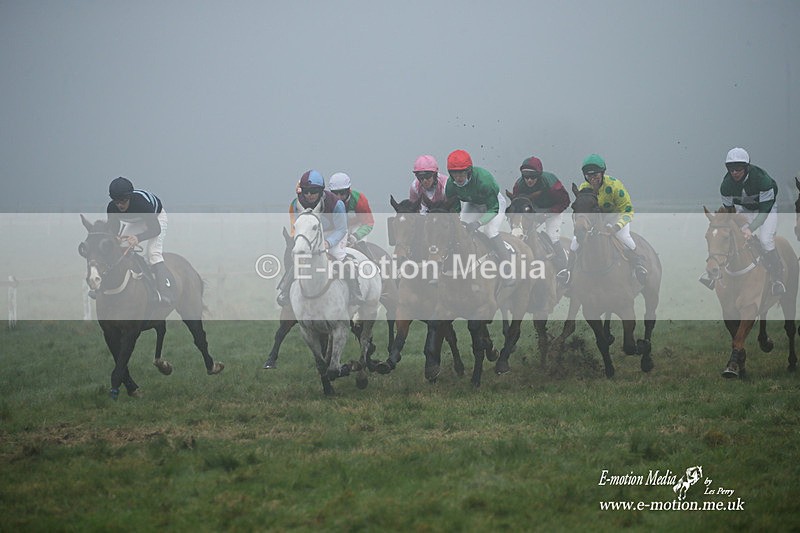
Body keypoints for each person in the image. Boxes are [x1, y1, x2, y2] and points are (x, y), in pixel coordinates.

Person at [701, 147, 784, 295]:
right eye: (731, 169)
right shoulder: (726, 185)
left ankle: (777, 278)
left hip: (766, 209)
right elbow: (729, 213)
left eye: (738, 168)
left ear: (746, 167)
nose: (734, 172)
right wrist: (728, 225)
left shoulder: (763, 180)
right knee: (732, 237)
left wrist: (750, 228)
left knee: (765, 240)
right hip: (745, 209)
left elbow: (764, 211)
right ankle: (715, 273)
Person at [278, 169, 361, 307]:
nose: (309, 195)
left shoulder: (336, 204)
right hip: (311, 233)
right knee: (298, 258)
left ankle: (355, 292)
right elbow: (299, 225)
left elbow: (341, 229)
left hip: (335, 233)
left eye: (313, 191)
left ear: (321, 191)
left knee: (340, 257)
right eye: (306, 191)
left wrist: (328, 243)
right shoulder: (297, 203)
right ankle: (285, 291)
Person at [565, 154, 648, 285]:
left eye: (595, 175)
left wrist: (616, 227)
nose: (592, 178)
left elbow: (627, 210)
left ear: (602, 173)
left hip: (616, 217)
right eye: (589, 175)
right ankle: (567, 272)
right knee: (574, 243)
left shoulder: (615, 186)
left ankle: (639, 266)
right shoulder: (584, 188)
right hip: (597, 220)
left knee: (625, 239)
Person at [444, 149, 512, 282]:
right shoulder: (450, 185)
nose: (458, 178)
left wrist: (479, 223)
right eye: (455, 174)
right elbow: (454, 208)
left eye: (462, 173)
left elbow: (493, 208)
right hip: (473, 204)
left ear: (469, 171)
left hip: (493, 204)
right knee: (462, 230)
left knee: (490, 230)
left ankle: (507, 269)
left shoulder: (485, 181)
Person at [105, 176, 174, 305]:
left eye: (123, 201)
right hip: (137, 220)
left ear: (129, 197)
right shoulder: (111, 208)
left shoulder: (142, 205)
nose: (120, 205)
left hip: (156, 219)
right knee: (120, 248)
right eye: (116, 201)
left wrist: (138, 238)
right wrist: (115, 237)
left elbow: (155, 229)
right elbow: (113, 228)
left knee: (153, 253)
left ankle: (165, 292)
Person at [510, 155, 570, 285]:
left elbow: (565, 201)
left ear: (539, 175)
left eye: (533, 177)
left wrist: (548, 213)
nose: (529, 180)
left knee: (552, 236)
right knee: (522, 234)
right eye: (526, 177)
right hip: (533, 212)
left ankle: (563, 269)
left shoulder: (551, 182)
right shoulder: (519, 185)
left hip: (554, 210)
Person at [328, 172, 374, 245]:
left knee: (361, 244)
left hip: (355, 228)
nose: (338, 197)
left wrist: (356, 235)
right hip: (336, 228)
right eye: (335, 193)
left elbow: (368, 223)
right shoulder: (328, 200)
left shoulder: (359, 200)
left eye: (342, 193)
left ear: (348, 190)